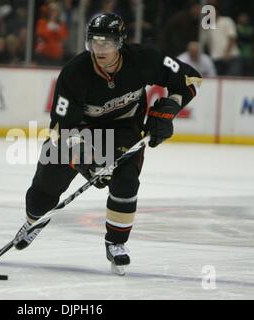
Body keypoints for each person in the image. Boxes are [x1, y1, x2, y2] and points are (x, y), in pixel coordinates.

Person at [15, 13, 201, 275]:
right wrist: (84, 160)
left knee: (126, 181)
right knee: (47, 182)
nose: (100, 49)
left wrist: (168, 109)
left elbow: (190, 79)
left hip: (126, 129)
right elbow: (61, 129)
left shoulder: (144, 58)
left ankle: (116, 243)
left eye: (107, 43)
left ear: (121, 43)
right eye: (95, 42)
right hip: (81, 130)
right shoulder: (73, 74)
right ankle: (33, 220)